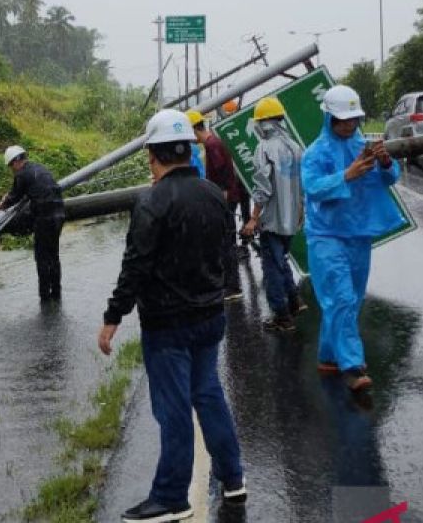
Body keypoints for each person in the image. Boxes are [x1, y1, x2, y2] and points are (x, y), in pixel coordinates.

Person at [99, 109, 246, 523]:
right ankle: (233, 477)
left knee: (174, 408)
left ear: (152, 155)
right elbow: (224, 253)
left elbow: (136, 265)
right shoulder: (214, 195)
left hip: (168, 325)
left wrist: (113, 316)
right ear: (187, 149)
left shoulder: (149, 201)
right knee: (208, 394)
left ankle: (170, 497)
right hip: (209, 316)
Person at [300, 85, 402, 392]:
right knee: (340, 297)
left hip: (358, 234)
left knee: (350, 300)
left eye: (353, 119)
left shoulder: (364, 145)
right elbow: (313, 188)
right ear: (328, 117)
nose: (349, 125)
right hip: (326, 235)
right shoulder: (315, 153)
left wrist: (385, 163)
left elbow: (389, 179)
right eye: (343, 119)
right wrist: (347, 174)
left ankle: (329, 356)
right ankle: (354, 366)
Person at [239, 96, 308, 333]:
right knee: (282, 261)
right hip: (293, 218)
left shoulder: (264, 148)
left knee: (272, 267)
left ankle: (282, 316)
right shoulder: (296, 147)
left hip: (272, 220)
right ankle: (295, 301)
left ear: (264, 123)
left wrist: (253, 218)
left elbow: (263, 189)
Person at [0, 145, 65, 302]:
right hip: (59, 214)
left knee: (41, 258)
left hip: (45, 217)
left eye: (11, 167)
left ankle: (45, 299)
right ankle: (57, 294)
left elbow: (13, 197)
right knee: (53, 256)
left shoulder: (22, 174)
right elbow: (36, 190)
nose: (12, 170)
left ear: (15, 162)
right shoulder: (40, 168)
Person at [188, 109, 244, 302]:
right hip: (227, 198)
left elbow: (222, 174)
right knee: (225, 241)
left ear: (195, 129)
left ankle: (233, 286)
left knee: (226, 243)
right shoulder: (213, 143)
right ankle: (228, 283)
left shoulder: (212, 145)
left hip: (225, 200)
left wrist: (221, 197)